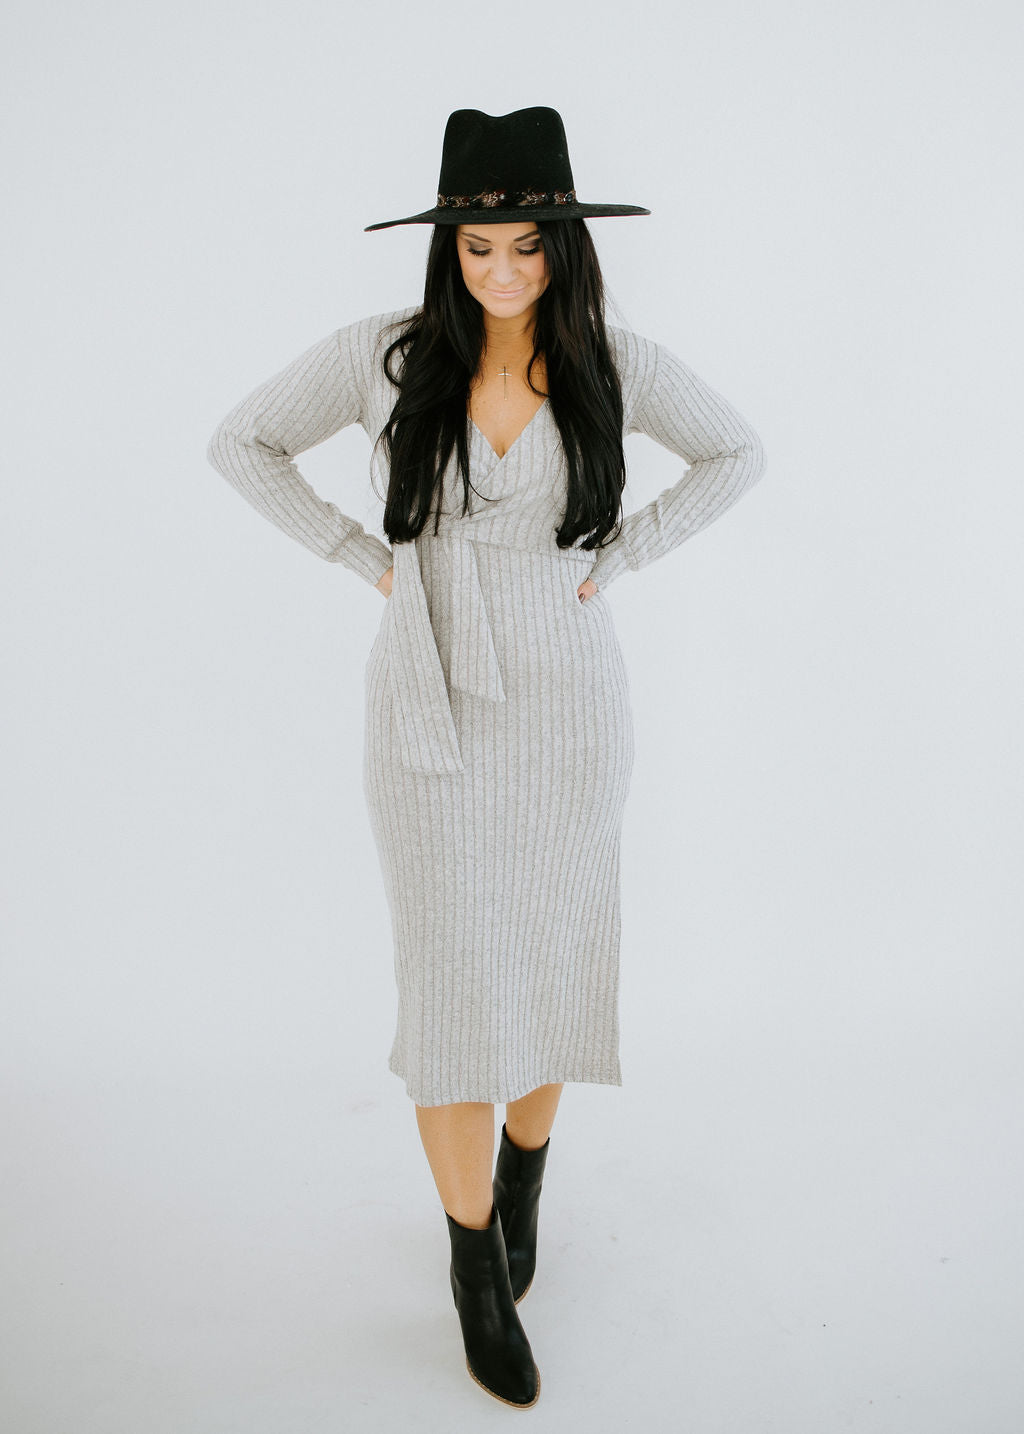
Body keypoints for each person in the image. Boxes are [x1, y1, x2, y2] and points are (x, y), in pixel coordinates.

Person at [206, 105, 767, 1410]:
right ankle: (473, 1266)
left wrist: (626, 552)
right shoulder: (385, 356)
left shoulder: (612, 360)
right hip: (428, 703)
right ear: (447, 249)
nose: (503, 270)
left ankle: (525, 1177)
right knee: (453, 988)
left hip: (571, 709)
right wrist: (364, 560)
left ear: (564, 245)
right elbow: (241, 441)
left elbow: (738, 451)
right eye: (477, 247)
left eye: (526, 244)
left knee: (553, 952)